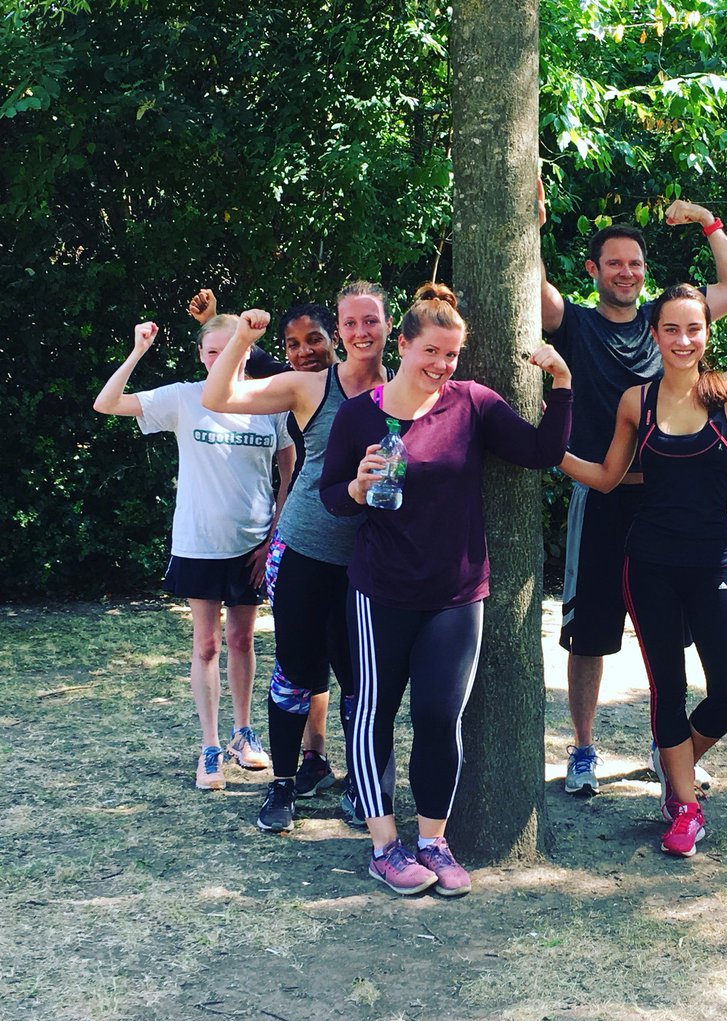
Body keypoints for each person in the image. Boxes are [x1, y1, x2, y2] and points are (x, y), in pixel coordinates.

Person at [319, 283, 573, 896]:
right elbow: (330, 497)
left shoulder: (472, 404)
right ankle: (384, 846)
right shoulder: (360, 414)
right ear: (401, 345)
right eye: (431, 351)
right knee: (372, 714)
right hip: (381, 591)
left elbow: (542, 451)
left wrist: (562, 382)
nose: (440, 365)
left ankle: (432, 839)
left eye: (451, 355)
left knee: (439, 717)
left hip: (458, 595)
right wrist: (356, 488)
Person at [560, 285, 727, 856]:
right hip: (647, 564)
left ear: (707, 334)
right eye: (671, 330)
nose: (683, 340)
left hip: (711, 565)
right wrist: (545, 447)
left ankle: (675, 764)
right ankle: (684, 805)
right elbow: (606, 477)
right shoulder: (637, 401)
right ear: (655, 336)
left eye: (693, 329)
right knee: (668, 690)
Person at [540, 191, 727, 795]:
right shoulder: (576, 322)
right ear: (593, 270)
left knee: (675, 638)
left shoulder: (666, 323)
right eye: (614, 263)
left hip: (669, 498)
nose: (626, 272)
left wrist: (707, 222)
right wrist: (531, 227)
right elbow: (536, 292)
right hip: (605, 495)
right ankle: (583, 749)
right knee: (590, 630)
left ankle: (674, 754)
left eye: (634, 263)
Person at [202, 283, 393, 833]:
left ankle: (363, 787)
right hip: (307, 548)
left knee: (363, 682)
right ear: (342, 329)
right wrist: (240, 335)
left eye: (370, 322)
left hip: (373, 562)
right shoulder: (311, 386)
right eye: (350, 323)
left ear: (386, 327)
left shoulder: (406, 385)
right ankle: (282, 784)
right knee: (295, 674)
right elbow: (218, 398)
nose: (360, 332)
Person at [94, 315, 295, 789]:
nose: (220, 359)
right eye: (211, 351)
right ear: (201, 355)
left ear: (246, 351)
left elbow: (288, 473)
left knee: (243, 642)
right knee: (206, 645)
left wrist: (272, 537)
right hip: (199, 545)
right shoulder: (185, 397)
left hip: (252, 546)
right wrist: (138, 351)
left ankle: (243, 736)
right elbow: (106, 404)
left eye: (231, 350)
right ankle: (209, 749)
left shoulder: (270, 403)